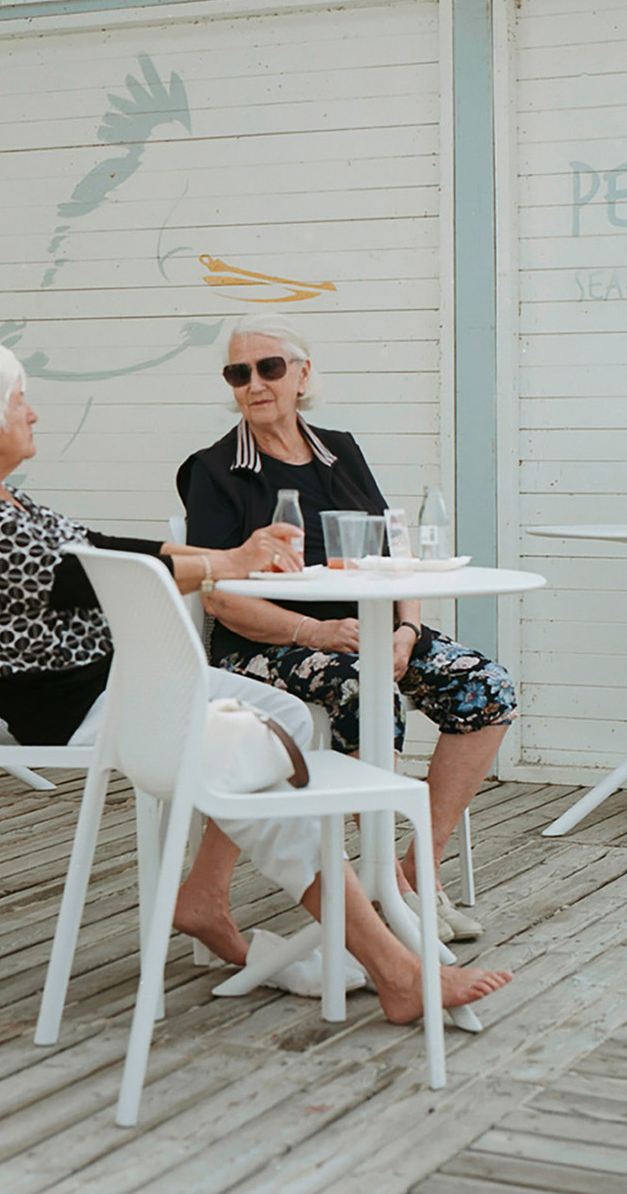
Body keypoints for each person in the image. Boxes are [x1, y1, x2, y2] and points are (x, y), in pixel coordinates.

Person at [0, 341, 510, 1017]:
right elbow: (98, 577)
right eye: (20, 401)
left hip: (130, 682)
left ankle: (208, 896)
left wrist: (230, 555)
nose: (33, 413)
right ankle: (395, 968)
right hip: (79, 707)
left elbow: (104, 547)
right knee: (251, 749)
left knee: (288, 718)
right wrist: (229, 562)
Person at [178, 316, 518, 943]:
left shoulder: (340, 450)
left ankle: (417, 871)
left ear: (302, 374)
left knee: (486, 686)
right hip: (268, 643)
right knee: (365, 687)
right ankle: (388, 887)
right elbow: (219, 596)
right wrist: (315, 633)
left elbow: (395, 551)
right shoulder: (216, 470)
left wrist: (407, 630)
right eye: (238, 373)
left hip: (369, 632)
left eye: (269, 368)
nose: (254, 384)